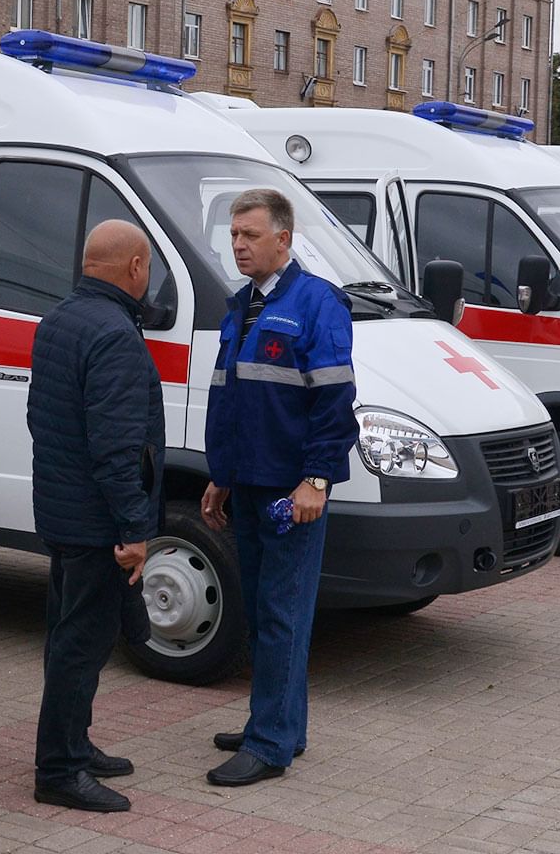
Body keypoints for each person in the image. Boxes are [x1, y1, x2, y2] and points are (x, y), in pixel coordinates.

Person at [200, 188, 354, 787]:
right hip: (249, 482)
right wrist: (222, 474)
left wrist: (316, 479)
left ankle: (268, 745)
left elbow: (335, 403)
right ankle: (282, 723)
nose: (238, 245)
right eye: (234, 235)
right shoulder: (242, 305)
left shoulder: (317, 303)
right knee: (266, 608)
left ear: (283, 240)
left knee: (281, 614)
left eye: (250, 235)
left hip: (294, 489)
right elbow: (230, 400)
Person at [27, 220, 164, 813]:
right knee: (81, 644)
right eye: (150, 266)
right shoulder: (114, 334)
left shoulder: (60, 319)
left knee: (69, 636)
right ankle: (59, 770)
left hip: (64, 511)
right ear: (135, 266)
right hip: (95, 523)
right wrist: (134, 529)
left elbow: (47, 422)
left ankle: (73, 743)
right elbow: (115, 446)